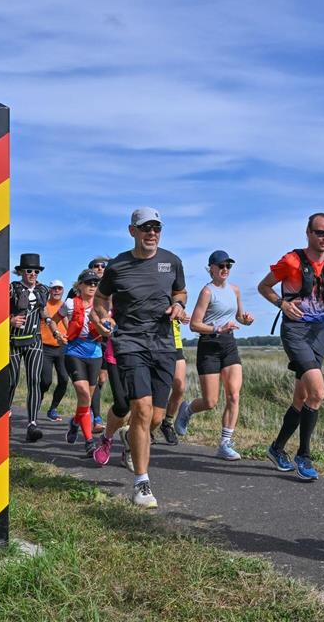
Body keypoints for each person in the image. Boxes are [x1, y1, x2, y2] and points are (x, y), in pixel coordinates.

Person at [91, 207, 188, 509]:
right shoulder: (118, 266)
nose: (152, 233)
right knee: (142, 410)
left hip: (163, 345)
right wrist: (102, 316)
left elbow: (181, 293)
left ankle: (130, 438)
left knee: (156, 418)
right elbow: (100, 299)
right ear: (132, 231)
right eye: (145, 227)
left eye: (157, 227)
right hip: (130, 343)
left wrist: (177, 305)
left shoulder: (172, 261)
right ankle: (142, 484)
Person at [257, 213, 324, 482]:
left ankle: (276, 449)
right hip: (295, 331)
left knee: (301, 398)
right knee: (318, 393)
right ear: (308, 233)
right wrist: (282, 304)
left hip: (318, 332)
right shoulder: (291, 261)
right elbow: (264, 286)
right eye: (321, 233)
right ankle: (304, 455)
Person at [175, 250, 254, 460]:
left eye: (228, 266)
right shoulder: (207, 292)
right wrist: (217, 328)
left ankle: (225, 444)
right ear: (211, 268)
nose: (225, 269)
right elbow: (194, 325)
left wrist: (245, 319)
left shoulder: (235, 290)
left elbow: (237, 315)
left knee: (234, 395)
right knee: (210, 402)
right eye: (221, 266)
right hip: (209, 346)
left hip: (229, 345)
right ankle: (187, 410)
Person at [52, 269, 113, 456]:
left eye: (96, 283)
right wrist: (57, 334)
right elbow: (54, 320)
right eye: (89, 283)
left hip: (94, 354)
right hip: (74, 352)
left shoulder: (102, 306)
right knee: (84, 394)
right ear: (80, 286)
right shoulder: (70, 304)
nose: (93, 286)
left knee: (85, 401)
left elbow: (109, 325)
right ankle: (88, 441)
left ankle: (75, 422)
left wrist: (107, 326)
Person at [9, 253, 63, 443]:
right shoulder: (11, 289)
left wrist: (54, 329)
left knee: (34, 380)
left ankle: (32, 424)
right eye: (29, 271)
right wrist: (10, 320)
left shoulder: (43, 290)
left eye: (36, 271)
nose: (33, 274)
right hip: (13, 341)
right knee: (12, 381)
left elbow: (43, 311)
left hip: (34, 340)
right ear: (21, 272)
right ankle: (5, 417)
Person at [85, 256, 112, 435]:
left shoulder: (112, 286)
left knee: (102, 380)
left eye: (103, 266)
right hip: (90, 340)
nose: (101, 268)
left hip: (108, 338)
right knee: (95, 380)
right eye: (97, 266)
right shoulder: (84, 288)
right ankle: (96, 417)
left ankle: (87, 403)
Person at [40, 279, 70, 422]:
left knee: (64, 379)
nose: (57, 291)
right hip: (45, 347)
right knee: (46, 381)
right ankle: (36, 402)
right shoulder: (43, 305)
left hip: (62, 347)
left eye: (59, 288)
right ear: (50, 290)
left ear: (63, 290)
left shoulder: (66, 306)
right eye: (54, 288)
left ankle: (53, 409)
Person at [155, 317, 186, 446]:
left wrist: (181, 313)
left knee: (180, 387)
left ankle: (167, 423)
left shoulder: (176, 297)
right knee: (154, 391)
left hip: (175, 343)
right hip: (156, 342)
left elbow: (179, 303)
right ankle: (146, 427)